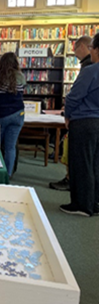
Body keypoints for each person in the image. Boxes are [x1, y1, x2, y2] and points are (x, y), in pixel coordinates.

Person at [60, 33, 99, 217]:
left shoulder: (91, 71)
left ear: (95, 50)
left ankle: (82, 205)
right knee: (95, 163)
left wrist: (67, 116)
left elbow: (74, 97)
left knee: (81, 163)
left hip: (84, 121)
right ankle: (94, 202)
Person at [50, 35, 93, 191]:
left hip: (83, 118)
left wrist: (67, 114)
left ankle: (75, 186)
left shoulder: (89, 67)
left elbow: (75, 95)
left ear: (84, 47)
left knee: (79, 157)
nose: (74, 53)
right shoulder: (89, 65)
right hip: (90, 117)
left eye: (75, 48)